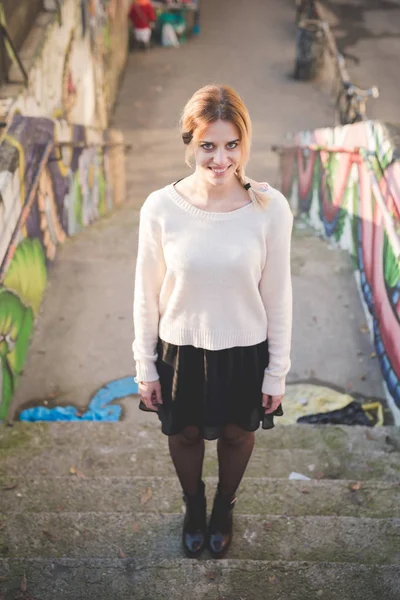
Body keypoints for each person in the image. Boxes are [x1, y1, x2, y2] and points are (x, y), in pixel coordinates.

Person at [132, 84, 293, 559]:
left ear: (244, 144)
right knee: (183, 434)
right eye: (208, 145)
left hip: (246, 348)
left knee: (237, 434)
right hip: (179, 348)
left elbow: (279, 294)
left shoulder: (269, 208)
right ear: (190, 144)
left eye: (231, 145)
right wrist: (145, 365)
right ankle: (194, 505)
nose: (221, 159)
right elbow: (145, 292)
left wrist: (277, 371)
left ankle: (224, 506)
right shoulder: (160, 208)